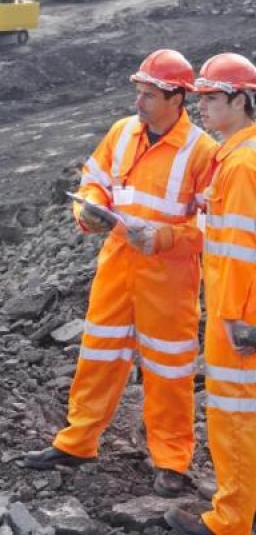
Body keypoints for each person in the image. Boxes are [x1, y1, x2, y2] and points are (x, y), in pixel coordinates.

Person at [23, 49, 216, 499]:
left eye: (149, 94)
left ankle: (171, 461)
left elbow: (211, 226)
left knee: (169, 372)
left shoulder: (201, 152)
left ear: (177, 98)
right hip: (116, 268)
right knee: (98, 357)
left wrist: (164, 238)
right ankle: (78, 442)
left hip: (168, 281)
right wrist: (85, 210)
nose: (139, 102)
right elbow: (95, 181)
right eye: (138, 92)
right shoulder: (122, 133)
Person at [166, 53, 256, 535]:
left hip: (238, 317)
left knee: (234, 418)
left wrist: (239, 320)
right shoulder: (240, 157)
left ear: (241, 101)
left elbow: (243, 251)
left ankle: (230, 521)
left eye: (213, 98)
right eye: (199, 98)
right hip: (237, 310)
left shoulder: (242, 165)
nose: (202, 107)